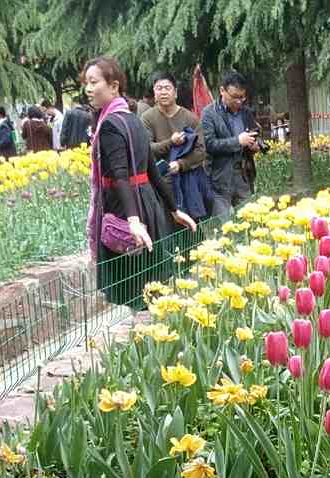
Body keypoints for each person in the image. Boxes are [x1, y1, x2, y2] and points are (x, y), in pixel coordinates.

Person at [82, 56, 196, 306]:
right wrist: (173, 209)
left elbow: (121, 176)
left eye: (94, 82)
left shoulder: (110, 124)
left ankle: (144, 332)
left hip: (124, 209)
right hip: (148, 204)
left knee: (133, 286)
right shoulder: (132, 118)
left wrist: (132, 221)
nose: (88, 89)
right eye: (86, 83)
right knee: (150, 282)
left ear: (113, 86)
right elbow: (153, 172)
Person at [141, 72, 208, 219]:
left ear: (175, 92)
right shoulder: (147, 118)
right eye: (159, 88)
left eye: (167, 88)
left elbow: (201, 151)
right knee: (163, 227)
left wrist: (180, 164)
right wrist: (171, 142)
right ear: (154, 92)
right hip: (159, 181)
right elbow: (147, 148)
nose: (163, 92)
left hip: (188, 181)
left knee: (191, 226)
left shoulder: (190, 118)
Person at [201, 70, 260, 217]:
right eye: (235, 97)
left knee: (249, 223)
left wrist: (254, 145)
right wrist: (238, 141)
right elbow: (209, 144)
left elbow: (253, 133)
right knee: (222, 229)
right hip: (220, 178)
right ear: (222, 91)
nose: (239, 101)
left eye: (242, 97)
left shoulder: (246, 112)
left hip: (244, 175)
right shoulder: (209, 113)